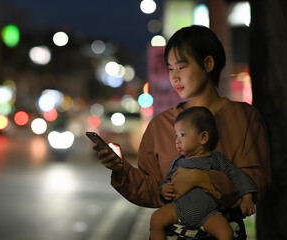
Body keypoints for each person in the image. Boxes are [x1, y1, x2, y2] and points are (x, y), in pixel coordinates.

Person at [93, 25, 270, 239]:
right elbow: (153, 190)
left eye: (181, 67)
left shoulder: (244, 117)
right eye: (170, 69)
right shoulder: (161, 125)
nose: (174, 77)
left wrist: (200, 178)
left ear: (208, 63)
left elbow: (256, 179)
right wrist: (121, 168)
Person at [150, 106, 256, 240]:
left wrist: (247, 198)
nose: (177, 140)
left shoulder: (216, 159)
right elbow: (168, 181)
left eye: (182, 135)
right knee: (156, 219)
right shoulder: (177, 162)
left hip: (208, 213)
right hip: (179, 209)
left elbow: (237, 175)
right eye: (176, 135)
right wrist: (164, 189)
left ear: (203, 137)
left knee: (226, 233)